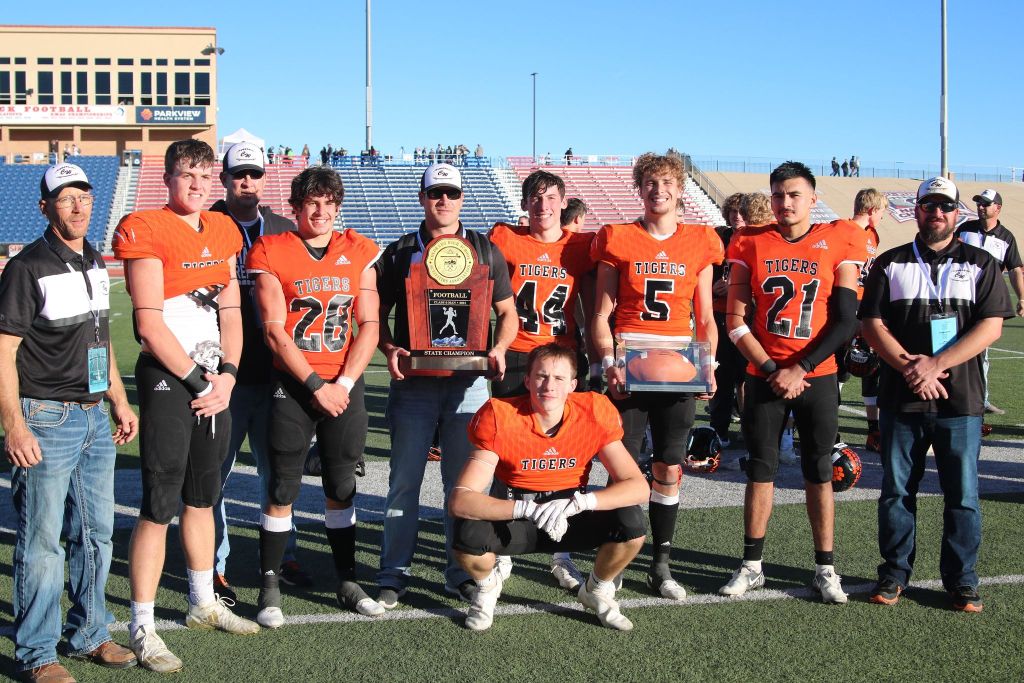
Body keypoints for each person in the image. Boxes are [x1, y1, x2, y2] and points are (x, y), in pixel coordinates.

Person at [112, 140, 259, 674]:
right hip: (170, 376)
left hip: (213, 376)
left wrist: (229, 376)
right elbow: (149, 326)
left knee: (203, 495)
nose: (196, 185)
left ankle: (202, 601)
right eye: (186, 175)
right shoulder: (146, 227)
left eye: (203, 174)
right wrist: (201, 381)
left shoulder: (221, 229)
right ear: (168, 179)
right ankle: (143, 625)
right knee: (160, 501)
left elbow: (231, 311)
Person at [2, 163, 139, 682]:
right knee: (42, 543)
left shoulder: (94, 259)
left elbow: (99, 341)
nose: (78, 206)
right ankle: (37, 654)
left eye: (84, 195)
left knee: (97, 533)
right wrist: (14, 425)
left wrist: (118, 399)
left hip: (93, 416)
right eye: (65, 198)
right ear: (45, 208)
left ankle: (89, 632)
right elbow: (3, 351)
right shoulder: (27, 268)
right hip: (45, 417)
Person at [860, 176, 1012, 612]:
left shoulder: (982, 263)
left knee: (962, 495)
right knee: (896, 492)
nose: (937, 213)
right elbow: (871, 325)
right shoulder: (889, 263)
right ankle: (894, 573)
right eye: (929, 205)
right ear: (917, 211)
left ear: (956, 212)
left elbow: (991, 326)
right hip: (902, 396)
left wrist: (934, 365)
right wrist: (913, 368)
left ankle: (962, 580)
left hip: (959, 399)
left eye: (946, 206)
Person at [721, 161, 865, 604]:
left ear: (813, 198)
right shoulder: (750, 242)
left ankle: (825, 569)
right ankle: (752, 566)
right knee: (760, 469)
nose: (786, 202)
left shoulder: (838, 238)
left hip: (816, 376)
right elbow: (735, 321)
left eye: (795, 194)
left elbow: (846, 321)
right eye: (779, 194)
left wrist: (799, 368)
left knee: (819, 471)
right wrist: (772, 370)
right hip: (764, 375)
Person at [375, 162, 517, 607]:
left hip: (467, 384)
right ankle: (394, 572)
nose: (443, 200)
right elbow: (375, 314)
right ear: (422, 198)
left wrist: (500, 348)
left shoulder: (485, 248)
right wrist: (389, 348)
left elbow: (507, 313)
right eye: (435, 192)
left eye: (451, 193)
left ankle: (460, 572)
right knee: (404, 482)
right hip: (414, 385)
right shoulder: (400, 251)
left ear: (462, 198)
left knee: (465, 486)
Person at [247, 166, 384, 626]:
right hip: (294, 384)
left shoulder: (358, 250)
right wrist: (315, 386)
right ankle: (269, 587)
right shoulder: (272, 249)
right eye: (311, 203)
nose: (321, 211)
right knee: (282, 486)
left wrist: (341, 384)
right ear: (296, 208)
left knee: (341, 486)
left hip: (343, 384)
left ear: (338, 207)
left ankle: (347, 580)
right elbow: (274, 332)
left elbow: (369, 325)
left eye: (328, 203)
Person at [591, 152, 722, 600]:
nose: (658, 190)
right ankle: (617, 556)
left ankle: (660, 563)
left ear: (681, 189)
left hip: (679, 366)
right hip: (629, 365)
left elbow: (705, 316)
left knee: (669, 466)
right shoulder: (618, 237)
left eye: (667, 182)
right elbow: (602, 314)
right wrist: (608, 361)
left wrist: (709, 365)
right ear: (639, 189)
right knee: (622, 468)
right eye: (650, 182)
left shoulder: (701, 240)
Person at [450, 344, 648, 631]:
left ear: (572, 385)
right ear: (527, 380)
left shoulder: (593, 412)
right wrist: (526, 508)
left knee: (631, 522)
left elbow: (638, 487)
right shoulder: (500, 416)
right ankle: (487, 587)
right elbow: (461, 499)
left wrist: (581, 503)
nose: (549, 385)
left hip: (570, 515)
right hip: (518, 519)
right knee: (467, 533)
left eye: (558, 378)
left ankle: (596, 589)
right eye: (541, 376)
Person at [209, 141, 311, 604]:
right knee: (215, 475)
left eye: (254, 174)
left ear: (265, 178)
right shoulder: (206, 223)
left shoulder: (284, 229)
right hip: (221, 373)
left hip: (276, 375)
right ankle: (215, 566)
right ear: (224, 178)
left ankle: (283, 554)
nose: (246, 182)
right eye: (238, 174)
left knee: (279, 473)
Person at [487, 170, 598, 589]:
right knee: (506, 447)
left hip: (563, 357)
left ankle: (560, 549)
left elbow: (596, 302)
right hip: (517, 354)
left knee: (565, 451)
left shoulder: (581, 245)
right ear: (524, 204)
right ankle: (503, 545)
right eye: (535, 198)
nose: (543, 205)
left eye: (550, 197)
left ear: (563, 203)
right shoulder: (505, 238)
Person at [956, 188, 1024, 419]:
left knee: (980, 350)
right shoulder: (965, 230)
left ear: (998, 208)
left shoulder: (1006, 237)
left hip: (987, 302)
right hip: (960, 297)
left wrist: (1021, 297)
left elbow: (1015, 269)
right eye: (979, 203)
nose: (981, 207)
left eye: (986, 203)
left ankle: (980, 399)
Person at [848, 188, 888, 451]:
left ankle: (874, 430)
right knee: (840, 368)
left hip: (866, 305)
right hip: (846, 304)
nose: (883, 217)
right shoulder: (843, 231)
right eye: (882, 211)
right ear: (873, 210)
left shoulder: (872, 235)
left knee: (869, 366)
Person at [709, 193, 747, 448]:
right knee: (721, 376)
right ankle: (718, 429)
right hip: (720, 316)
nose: (737, 216)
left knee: (747, 377)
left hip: (746, 317)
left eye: (741, 211)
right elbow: (702, 277)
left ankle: (749, 428)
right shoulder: (718, 238)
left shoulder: (758, 238)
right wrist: (713, 288)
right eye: (733, 211)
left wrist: (737, 286)